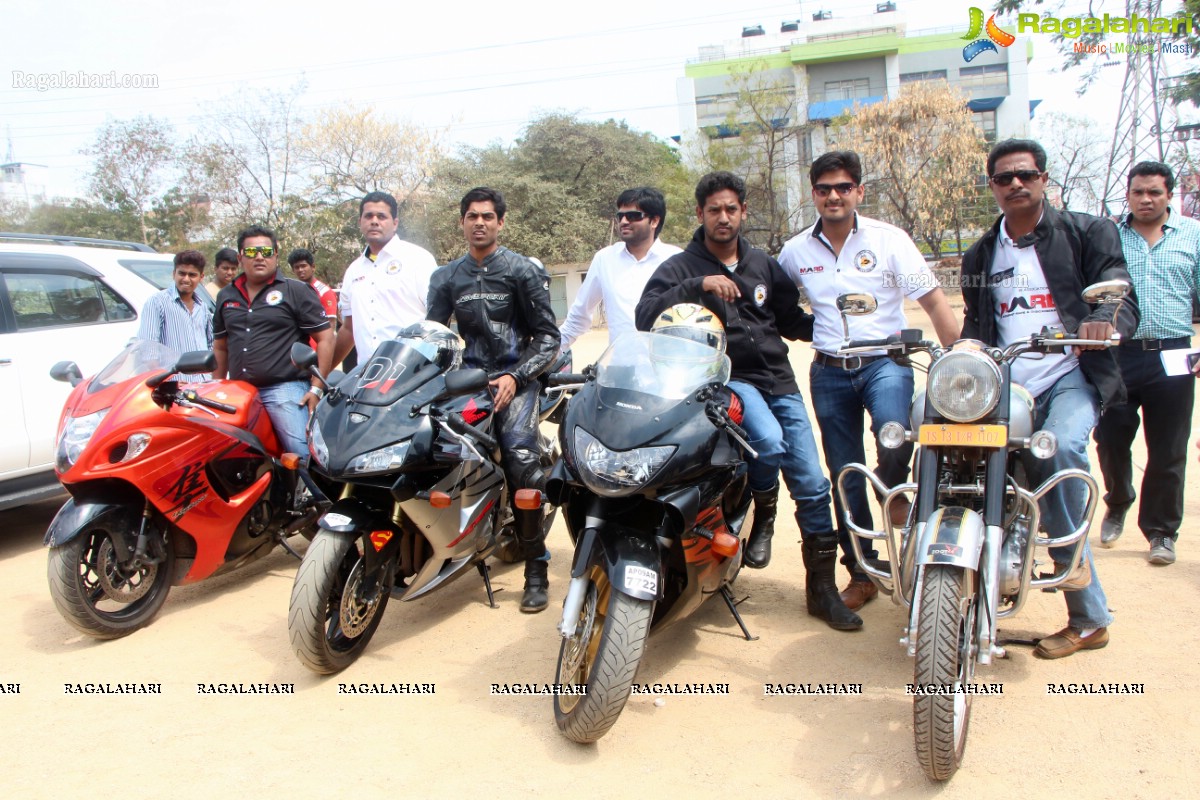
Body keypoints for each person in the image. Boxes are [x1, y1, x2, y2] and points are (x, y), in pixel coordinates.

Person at [635, 171, 861, 631]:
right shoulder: (681, 266)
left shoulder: (761, 263)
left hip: (779, 380)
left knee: (815, 483)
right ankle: (765, 518)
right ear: (700, 214)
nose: (723, 217)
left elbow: (789, 318)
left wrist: (848, 331)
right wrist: (699, 287)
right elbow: (644, 315)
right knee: (769, 443)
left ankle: (822, 590)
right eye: (714, 209)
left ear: (742, 212)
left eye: (731, 209)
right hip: (727, 380)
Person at [961, 139, 1139, 659]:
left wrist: (1104, 324)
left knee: (1057, 450)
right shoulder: (982, 252)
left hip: (1072, 371)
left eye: (1026, 175)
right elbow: (978, 321)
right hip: (1008, 379)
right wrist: (965, 351)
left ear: (1043, 178)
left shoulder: (1088, 231)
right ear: (992, 187)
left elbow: (1118, 293)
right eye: (1003, 178)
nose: (1016, 184)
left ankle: (1088, 618)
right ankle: (957, 583)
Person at [778, 151, 961, 612]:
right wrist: (809, 328)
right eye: (824, 189)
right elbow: (775, 304)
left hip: (886, 363)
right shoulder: (796, 250)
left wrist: (961, 359)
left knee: (895, 437)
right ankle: (862, 571)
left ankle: (892, 487)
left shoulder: (889, 240)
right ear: (813, 194)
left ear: (859, 192)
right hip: (829, 372)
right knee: (844, 474)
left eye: (843, 187)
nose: (833, 196)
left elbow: (936, 302)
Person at [426, 187, 560, 613]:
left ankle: (535, 566)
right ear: (462, 223)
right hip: (470, 379)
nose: (479, 222)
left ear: (501, 223)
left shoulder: (521, 270)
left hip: (518, 378)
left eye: (487, 216)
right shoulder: (447, 277)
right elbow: (432, 336)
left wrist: (515, 375)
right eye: (471, 216)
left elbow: (548, 338)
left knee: (520, 460)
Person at [1094, 161, 1200, 565]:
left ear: (1169, 194)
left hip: (1173, 355)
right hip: (1118, 354)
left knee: (1168, 448)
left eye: (1154, 192)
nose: (1145, 199)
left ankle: (1160, 531)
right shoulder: (1110, 236)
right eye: (1138, 191)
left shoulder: (1193, 235)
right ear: (1128, 193)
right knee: (1111, 439)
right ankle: (1119, 499)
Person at [212, 226, 334, 458]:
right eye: (251, 252)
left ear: (276, 255)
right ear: (240, 257)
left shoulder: (296, 291)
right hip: (238, 390)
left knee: (302, 455)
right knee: (224, 452)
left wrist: (317, 388)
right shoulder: (226, 295)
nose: (259, 256)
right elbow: (220, 346)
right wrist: (215, 389)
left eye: (266, 251)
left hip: (284, 388)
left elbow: (326, 337)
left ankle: (313, 494)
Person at [558, 187, 682, 350]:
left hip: (666, 368)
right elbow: (577, 319)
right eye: (620, 216)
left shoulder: (676, 260)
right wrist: (541, 356)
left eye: (632, 216)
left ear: (654, 221)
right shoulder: (605, 259)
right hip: (620, 370)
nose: (623, 221)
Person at [334, 192, 439, 368]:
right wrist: (317, 382)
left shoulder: (418, 259)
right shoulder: (354, 271)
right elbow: (349, 329)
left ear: (395, 223)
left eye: (382, 216)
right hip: (367, 377)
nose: (374, 221)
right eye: (368, 216)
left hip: (412, 374)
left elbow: (437, 319)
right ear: (360, 222)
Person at [137, 249, 214, 382]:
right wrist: (164, 381)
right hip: (174, 387)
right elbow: (148, 348)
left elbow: (211, 345)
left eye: (192, 275)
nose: (186, 279)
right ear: (174, 274)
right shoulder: (157, 302)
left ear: (201, 277)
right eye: (182, 273)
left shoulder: (202, 307)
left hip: (203, 385)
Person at [288, 248, 339, 324]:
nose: (300, 270)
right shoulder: (292, 291)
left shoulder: (324, 292)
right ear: (293, 270)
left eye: (303, 266)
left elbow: (330, 324)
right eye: (297, 267)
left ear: (313, 267)